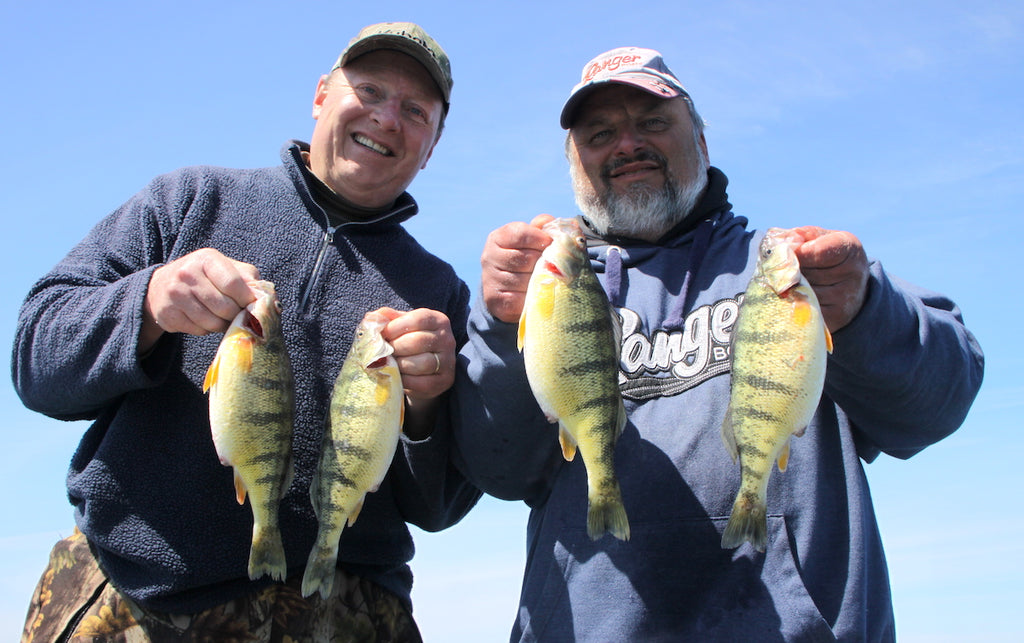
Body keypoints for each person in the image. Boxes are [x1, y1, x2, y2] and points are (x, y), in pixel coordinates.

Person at [453, 47, 984, 641]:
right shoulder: (541, 297)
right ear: (576, 165)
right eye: (600, 133)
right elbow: (494, 468)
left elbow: (937, 405)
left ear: (702, 145)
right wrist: (501, 329)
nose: (627, 143)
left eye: (653, 122)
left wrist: (865, 311)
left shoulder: (797, 276)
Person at [13, 21, 480, 642]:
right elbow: (35, 358)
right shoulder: (190, 200)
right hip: (135, 596)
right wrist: (146, 304)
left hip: (349, 615)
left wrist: (424, 410)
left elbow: (440, 506)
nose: (388, 118)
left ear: (434, 141)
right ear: (321, 95)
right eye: (368, 90)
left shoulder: (438, 293)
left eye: (415, 110)